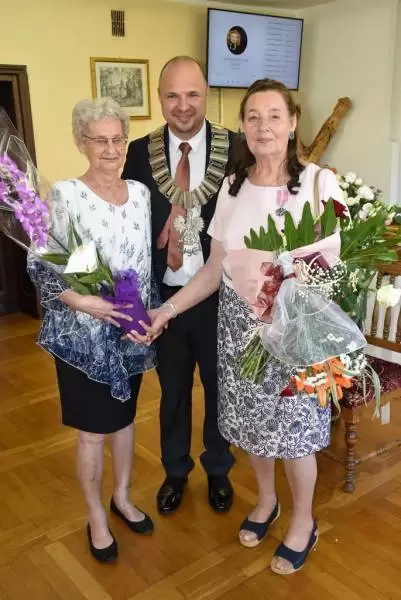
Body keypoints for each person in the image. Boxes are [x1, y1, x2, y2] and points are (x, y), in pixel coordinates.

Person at [145, 79, 346, 575]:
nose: (263, 126)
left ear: (293, 122)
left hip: (296, 328)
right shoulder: (233, 187)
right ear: (242, 126)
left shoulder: (321, 183)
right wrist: (168, 310)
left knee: (296, 433)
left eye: (275, 115)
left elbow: (335, 267)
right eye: (253, 117)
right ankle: (266, 502)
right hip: (240, 328)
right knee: (253, 426)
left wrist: (287, 289)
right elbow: (214, 269)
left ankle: (303, 521)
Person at [28, 98, 157, 563]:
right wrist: (84, 302)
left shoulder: (140, 194)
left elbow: (143, 263)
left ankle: (121, 497)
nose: (111, 149)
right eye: (99, 140)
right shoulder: (65, 195)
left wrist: (146, 318)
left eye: (118, 139)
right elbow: (42, 262)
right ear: (80, 142)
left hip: (129, 330)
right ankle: (96, 516)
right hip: (84, 337)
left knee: (125, 420)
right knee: (91, 434)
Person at [122, 56, 236, 515]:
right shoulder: (137, 152)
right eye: (172, 95)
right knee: (172, 392)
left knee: (220, 388)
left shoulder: (236, 147)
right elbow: (127, 224)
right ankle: (175, 470)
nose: (183, 105)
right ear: (159, 98)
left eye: (192, 94)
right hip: (163, 297)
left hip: (219, 295)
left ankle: (219, 469)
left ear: (206, 94)